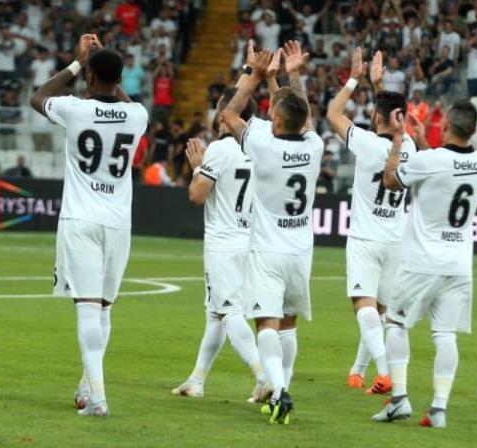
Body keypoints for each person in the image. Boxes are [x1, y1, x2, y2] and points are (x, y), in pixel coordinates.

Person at [30, 34, 150, 416]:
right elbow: (128, 107)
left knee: (86, 307)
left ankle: (98, 398)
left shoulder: (75, 109)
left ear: (90, 78)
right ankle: (88, 385)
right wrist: (113, 82)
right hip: (118, 223)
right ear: (120, 80)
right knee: (104, 309)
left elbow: (37, 96)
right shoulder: (137, 114)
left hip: (81, 220)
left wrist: (77, 61)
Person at [221, 41, 324, 425]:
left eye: (271, 113)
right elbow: (302, 114)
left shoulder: (263, 145)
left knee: (266, 321)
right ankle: (285, 386)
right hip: (301, 250)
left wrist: (254, 74)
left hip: (267, 249)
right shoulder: (314, 146)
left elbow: (229, 115)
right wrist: (287, 77)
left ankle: (279, 391)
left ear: (276, 122)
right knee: (289, 323)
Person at [371, 100, 477, 428]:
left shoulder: (428, 160)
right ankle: (438, 408)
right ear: (474, 130)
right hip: (459, 264)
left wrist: (398, 139)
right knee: (445, 333)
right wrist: (422, 142)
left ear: (445, 122)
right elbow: (443, 166)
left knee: (395, 323)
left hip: (422, 261)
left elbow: (391, 181)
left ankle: (400, 399)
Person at [326, 49, 418, 395]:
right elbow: (391, 119)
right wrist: (378, 84)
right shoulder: (409, 145)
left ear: (376, 118)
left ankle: (384, 372)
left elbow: (333, 113)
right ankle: (358, 369)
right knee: (380, 312)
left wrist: (354, 77)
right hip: (396, 240)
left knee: (362, 305)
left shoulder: (365, 143)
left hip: (365, 237)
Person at [171, 84, 268, 402]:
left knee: (229, 312)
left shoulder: (220, 149)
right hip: (250, 240)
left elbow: (196, 196)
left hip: (223, 242)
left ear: (228, 117)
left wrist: (198, 166)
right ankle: (196, 380)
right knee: (216, 313)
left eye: (220, 109)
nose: (216, 114)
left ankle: (262, 376)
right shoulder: (260, 148)